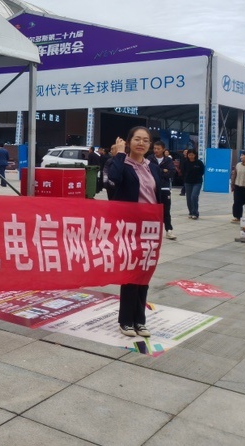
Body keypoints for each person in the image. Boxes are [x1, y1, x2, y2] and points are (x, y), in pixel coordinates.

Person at [107, 127, 162, 338]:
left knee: (144, 273)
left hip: (151, 227)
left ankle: (140, 320)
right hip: (130, 227)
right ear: (128, 142)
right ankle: (126, 321)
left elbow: (158, 195)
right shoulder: (120, 164)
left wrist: (165, 223)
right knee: (131, 272)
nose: (141, 143)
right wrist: (120, 154)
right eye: (137, 139)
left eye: (146, 140)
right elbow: (112, 182)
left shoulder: (152, 166)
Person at [151, 141, 176, 239]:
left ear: (163, 149)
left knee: (166, 210)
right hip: (152, 188)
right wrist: (163, 170)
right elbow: (148, 171)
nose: (156, 150)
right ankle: (153, 230)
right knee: (152, 210)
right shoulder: (149, 158)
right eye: (154, 148)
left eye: (158, 149)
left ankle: (169, 230)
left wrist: (158, 171)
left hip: (164, 188)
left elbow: (171, 173)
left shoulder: (168, 160)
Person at [183, 150, 205, 219]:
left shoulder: (199, 163)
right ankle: (191, 212)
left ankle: (195, 213)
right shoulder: (185, 163)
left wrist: (197, 176)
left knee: (194, 196)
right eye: (189, 155)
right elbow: (183, 171)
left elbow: (202, 171)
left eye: (192, 155)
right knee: (189, 198)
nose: (191, 156)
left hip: (197, 182)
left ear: (195, 155)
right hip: (188, 182)